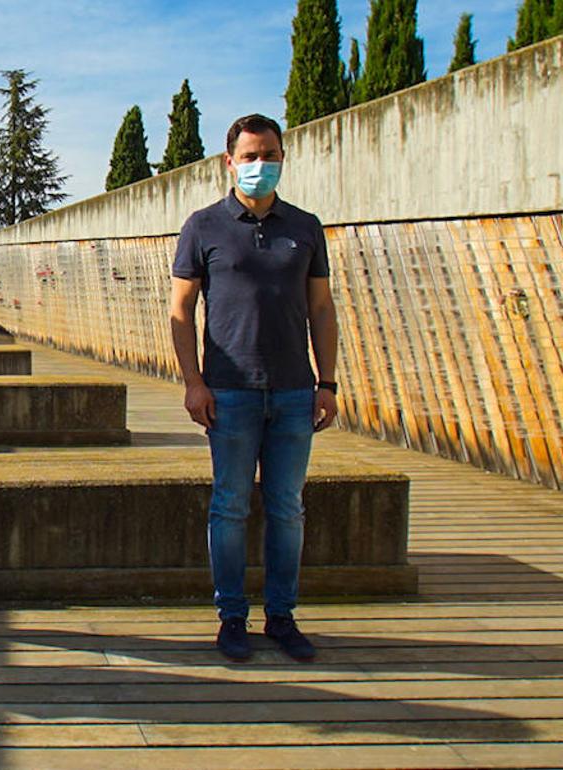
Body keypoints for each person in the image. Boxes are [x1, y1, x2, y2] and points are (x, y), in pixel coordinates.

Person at [169, 114, 339, 662]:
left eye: (268, 154)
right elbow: (180, 310)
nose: (259, 165)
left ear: (282, 158)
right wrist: (193, 383)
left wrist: (328, 382)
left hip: (293, 390)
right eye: (249, 155)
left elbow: (321, 308)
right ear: (229, 162)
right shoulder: (203, 226)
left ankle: (282, 617)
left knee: (288, 507)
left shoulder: (306, 227)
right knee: (231, 505)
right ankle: (232, 616)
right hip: (231, 390)